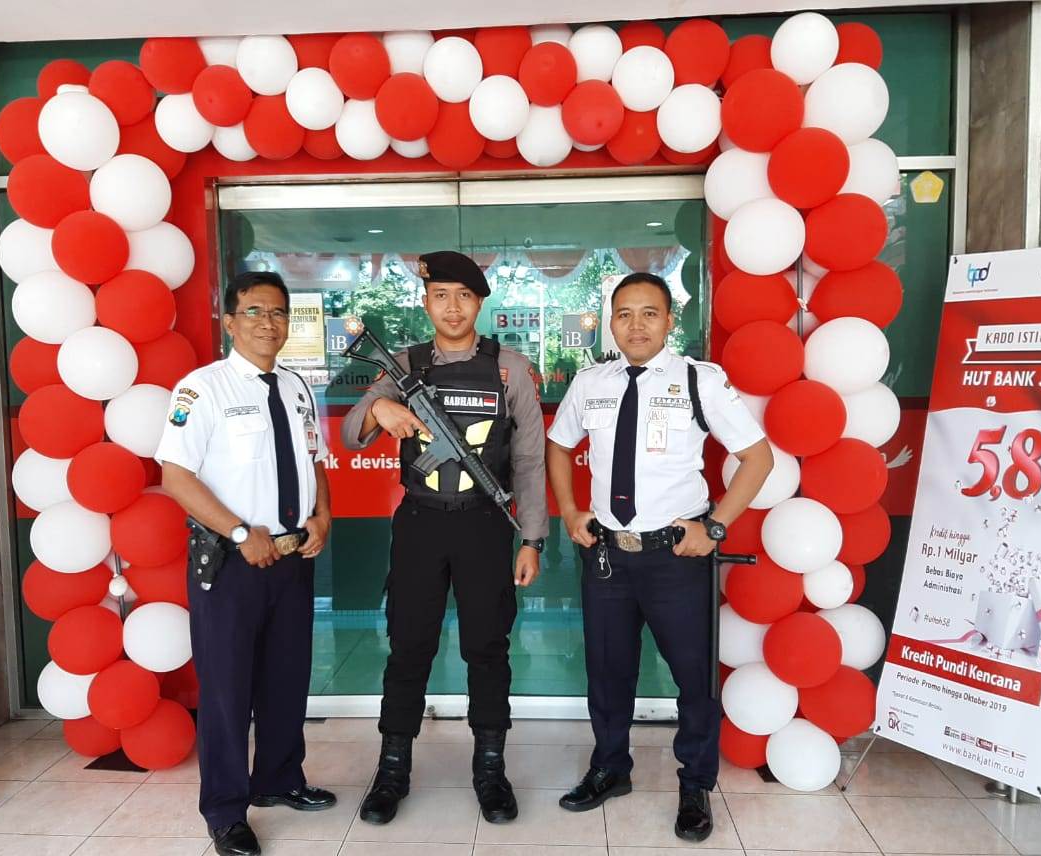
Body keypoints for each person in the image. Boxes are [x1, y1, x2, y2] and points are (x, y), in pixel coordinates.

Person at [546, 272, 773, 843]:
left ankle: (695, 784)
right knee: (607, 672)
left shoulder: (699, 380)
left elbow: (758, 457)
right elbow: (558, 444)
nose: (636, 325)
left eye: (649, 313)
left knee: (693, 678)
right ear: (611, 323)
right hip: (607, 556)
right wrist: (570, 510)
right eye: (624, 314)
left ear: (671, 321)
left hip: (676, 557)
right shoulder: (591, 382)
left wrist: (714, 527)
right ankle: (610, 768)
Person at [340, 251, 548, 825]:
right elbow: (353, 434)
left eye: (463, 296)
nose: (452, 307)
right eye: (440, 296)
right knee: (409, 646)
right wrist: (382, 406)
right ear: (426, 303)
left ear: (479, 303)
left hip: (485, 524)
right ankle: (392, 768)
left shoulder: (509, 369)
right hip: (421, 524)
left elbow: (529, 461)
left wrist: (531, 539)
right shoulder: (404, 364)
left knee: (488, 647)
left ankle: (490, 768)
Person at [157, 271, 336, 856]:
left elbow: (314, 462)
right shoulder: (202, 389)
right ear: (230, 322)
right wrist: (238, 531)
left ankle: (279, 779)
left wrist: (322, 516)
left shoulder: (297, 387)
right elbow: (175, 476)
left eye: (279, 312)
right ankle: (226, 811)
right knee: (228, 691)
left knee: (287, 679)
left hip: (292, 558)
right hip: (233, 563)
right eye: (254, 311)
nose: (268, 323)